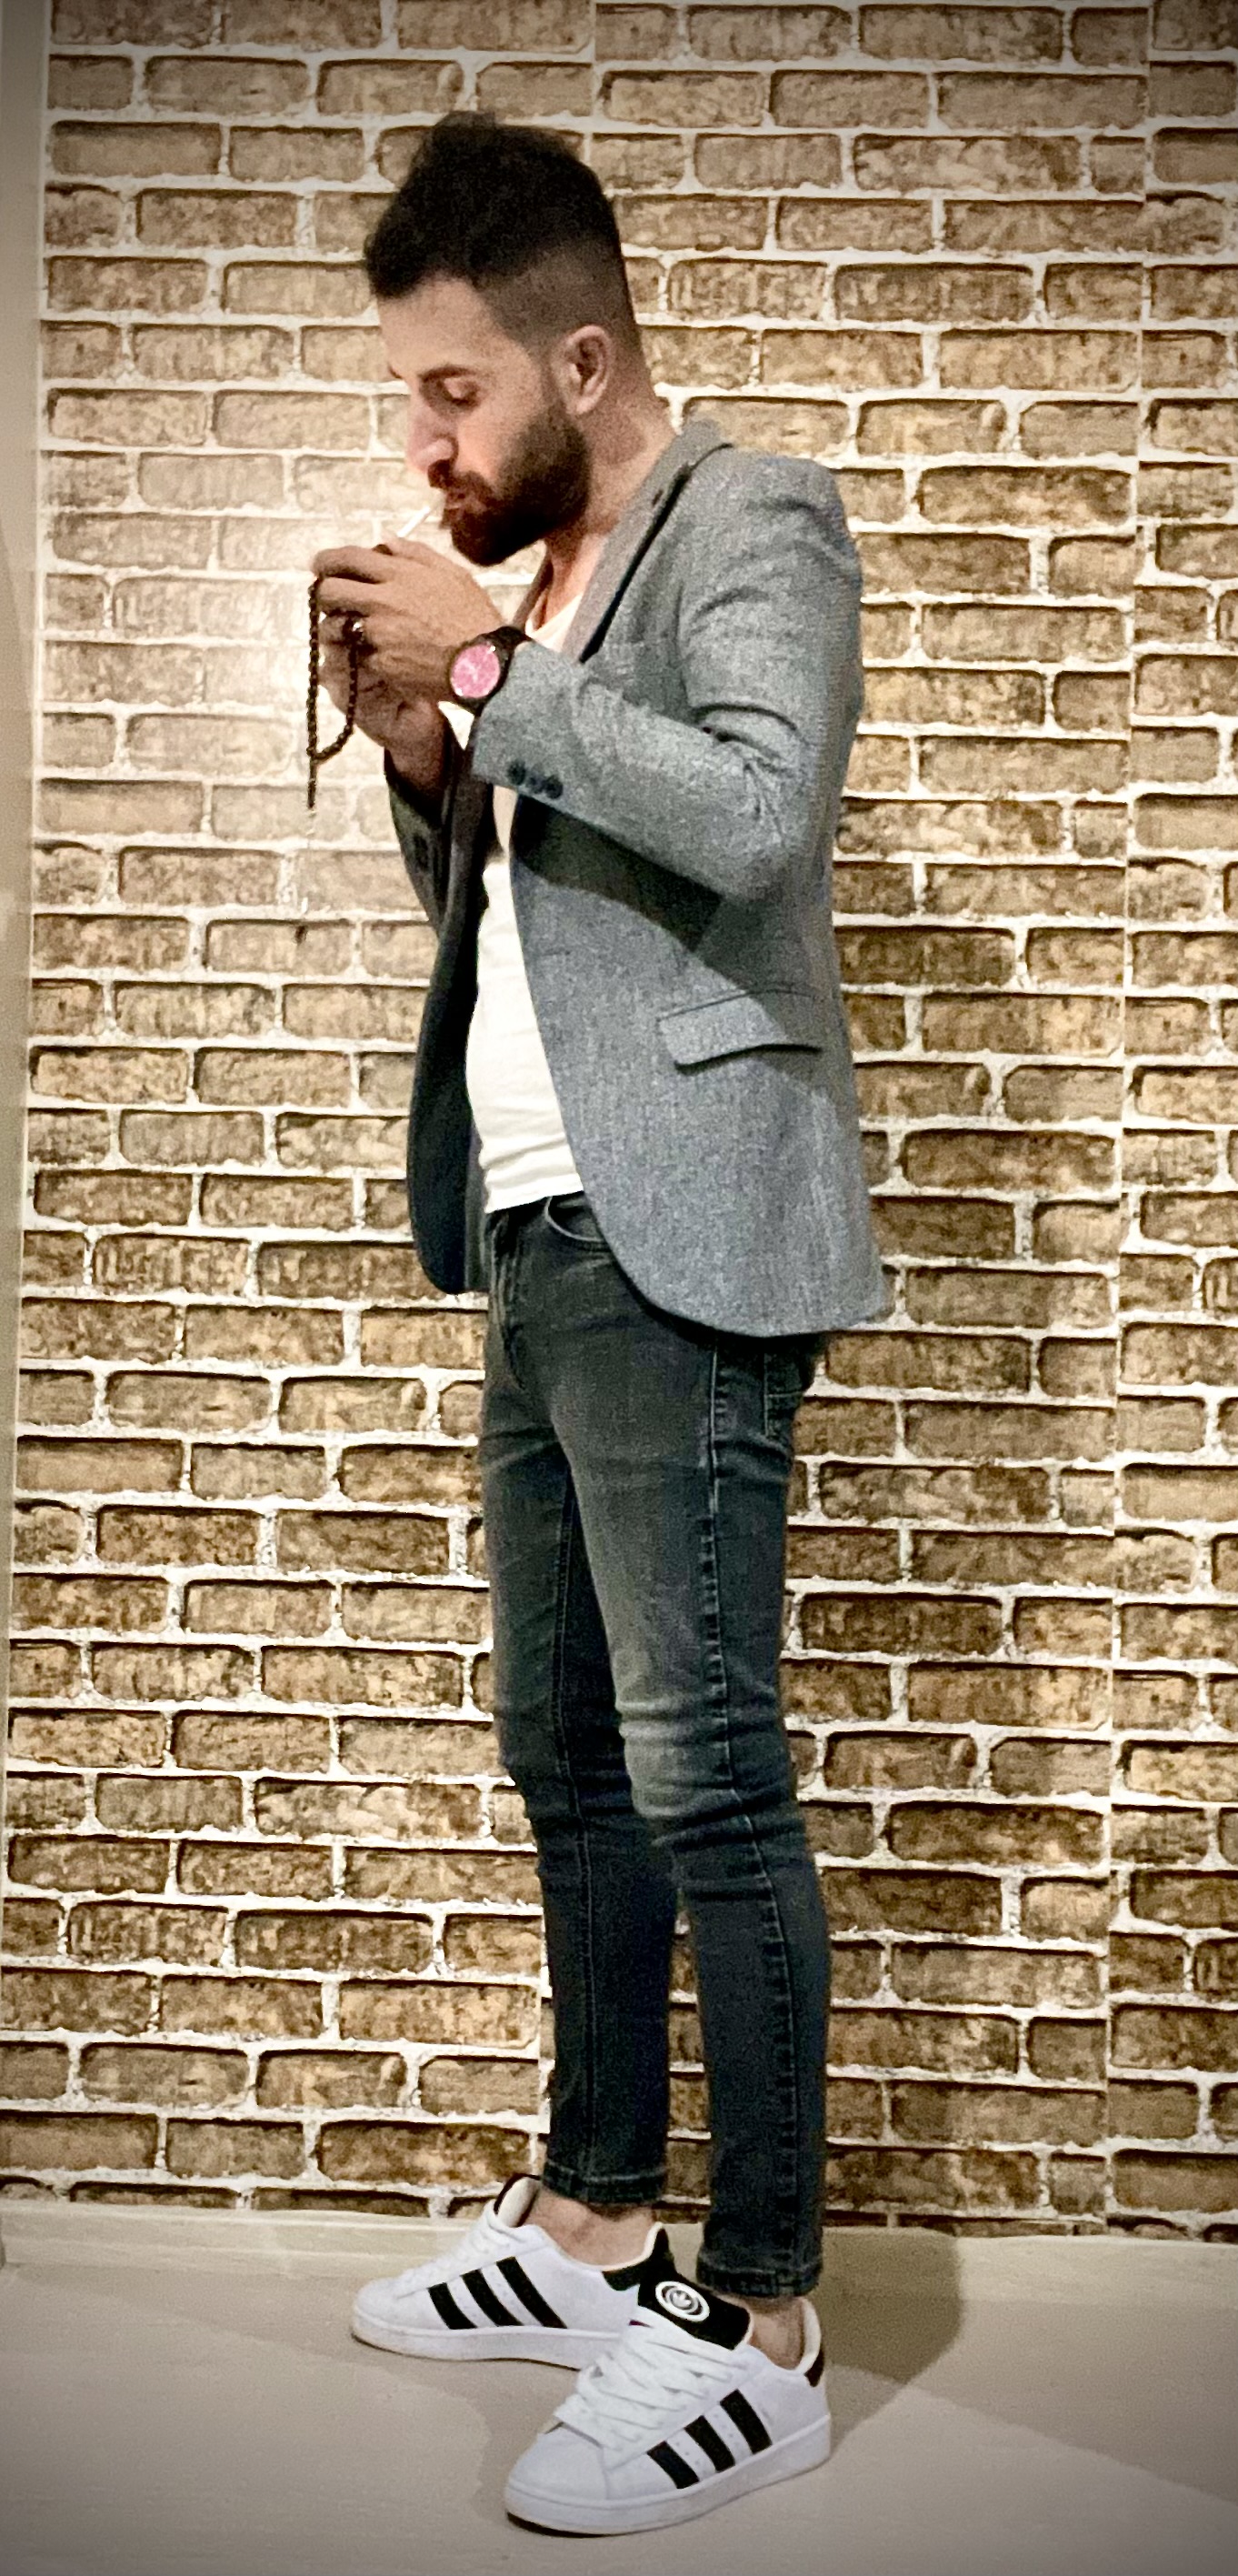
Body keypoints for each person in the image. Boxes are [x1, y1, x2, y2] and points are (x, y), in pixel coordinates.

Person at [313, 110, 887, 2540]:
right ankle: (590, 2217)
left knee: (705, 1768)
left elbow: (754, 814)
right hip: (543, 1228)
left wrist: (483, 663)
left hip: (689, 1235)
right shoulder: (541, 579)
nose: (428, 441)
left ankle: (763, 2310)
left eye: (452, 393)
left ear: (576, 356)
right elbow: (533, 898)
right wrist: (433, 756)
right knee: (567, 1749)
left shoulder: (749, 518)